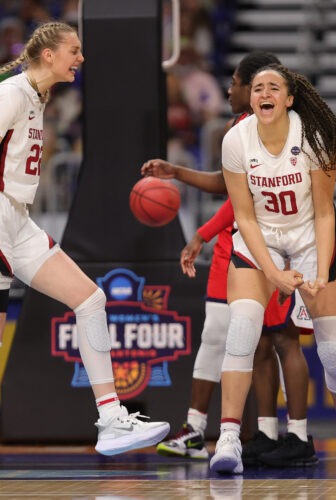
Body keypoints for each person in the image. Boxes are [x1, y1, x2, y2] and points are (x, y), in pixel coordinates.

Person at [0, 21, 170, 455]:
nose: (81, 58)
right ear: (49, 54)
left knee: (91, 299)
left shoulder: (37, 96)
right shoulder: (12, 92)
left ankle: (111, 418)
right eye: (74, 50)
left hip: (18, 222)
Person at [142, 51, 315, 467]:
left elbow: (240, 201)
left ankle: (294, 434)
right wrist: (177, 172)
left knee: (279, 340)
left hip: (282, 242)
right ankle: (259, 434)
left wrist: (201, 233)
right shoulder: (240, 131)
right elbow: (230, 187)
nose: (230, 89)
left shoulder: (284, 130)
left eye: (238, 82)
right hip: (249, 244)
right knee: (249, 341)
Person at [208, 63, 336, 474]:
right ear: (251, 99)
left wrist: (320, 272)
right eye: (257, 88)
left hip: (308, 236)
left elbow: (324, 214)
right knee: (243, 327)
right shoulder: (235, 140)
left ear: (288, 98)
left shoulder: (313, 138)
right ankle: (229, 438)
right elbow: (244, 218)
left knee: (334, 349)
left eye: (273, 87)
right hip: (260, 238)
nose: (263, 92)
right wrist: (271, 272)